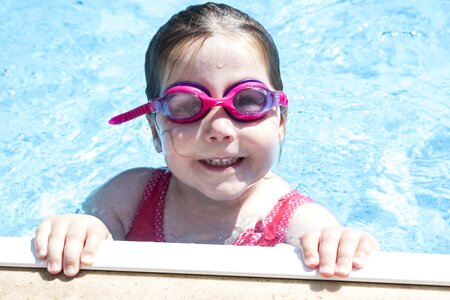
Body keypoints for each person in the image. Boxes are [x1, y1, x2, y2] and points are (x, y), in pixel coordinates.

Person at [34, 2, 378, 278]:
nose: (220, 129)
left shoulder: (300, 223)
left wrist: (336, 244)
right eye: (187, 106)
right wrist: (79, 229)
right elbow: (86, 228)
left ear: (281, 121)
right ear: (155, 131)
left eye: (247, 101)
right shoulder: (127, 199)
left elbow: (332, 255)